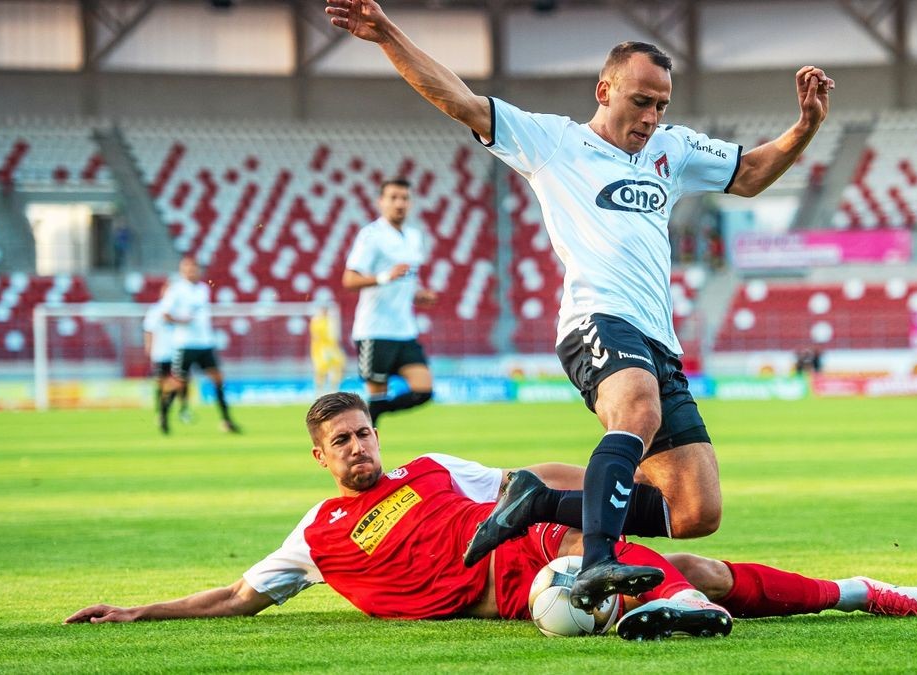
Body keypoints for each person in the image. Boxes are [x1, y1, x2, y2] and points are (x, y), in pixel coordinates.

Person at [325, 0, 836, 608]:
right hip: (596, 319)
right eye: (640, 101)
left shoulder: (672, 150)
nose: (651, 116)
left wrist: (804, 126)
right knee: (637, 412)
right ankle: (597, 561)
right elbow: (458, 99)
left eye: (661, 105)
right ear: (605, 90)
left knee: (696, 509)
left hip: (658, 339)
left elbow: (750, 173)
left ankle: (537, 500)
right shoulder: (553, 142)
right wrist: (387, 35)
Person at [64, 392, 917, 640]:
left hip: (540, 535)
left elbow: (528, 475)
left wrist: (625, 480)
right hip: (507, 588)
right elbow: (235, 596)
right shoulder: (316, 537)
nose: (360, 447)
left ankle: (861, 592)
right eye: (343, 441)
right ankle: (662, 602)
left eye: (365, 431)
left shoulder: (428, 466)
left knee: (704, 572)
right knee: (575, 606)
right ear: (319, 455)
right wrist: (138, 610)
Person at [341, 178, 438, 426]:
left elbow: (405, 282)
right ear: (381, 202)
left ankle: (370, 414)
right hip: (375, 330)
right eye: (393, 198)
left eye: (404, 198)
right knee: (377, 393)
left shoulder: (414, 237)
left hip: (405, 330)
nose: (399, 203)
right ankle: (366, 445)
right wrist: (386, 276)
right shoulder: (371, 236)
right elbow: (349, 279)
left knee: (423, 391)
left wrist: (418, 295)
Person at [157, 255, 240, 434]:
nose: (192, 271)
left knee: (218, 379)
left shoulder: (203, 289)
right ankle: (163, 416)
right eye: (188, 268)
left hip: (205, 343)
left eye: (194, 268)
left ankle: (227, 420)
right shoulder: (176, 290)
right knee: (178, 382)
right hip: (185, 344)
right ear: (182, 270)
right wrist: (182, 320)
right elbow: (164, 314)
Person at [143, 282, 192, 424]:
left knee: (182, 381)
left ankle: (183, 410)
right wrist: (149, 348)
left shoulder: (180, 309)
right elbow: (149, 330)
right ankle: (160, 412)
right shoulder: (155, 310)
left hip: (179, 350)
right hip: (161, 352)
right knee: (161, 383)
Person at [309, 299, 347, 393]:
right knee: (321, 370)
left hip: (332, 348)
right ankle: (320, 390)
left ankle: (334, 388)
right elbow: (316, 337)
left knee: (338, 366)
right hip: (321, 349)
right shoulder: (317, 321)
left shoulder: (330, 320)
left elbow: (335, 336)